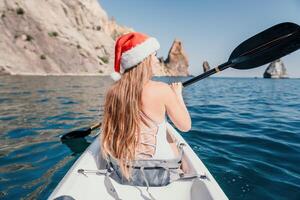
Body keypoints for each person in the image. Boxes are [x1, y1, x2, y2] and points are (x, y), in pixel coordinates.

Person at [101, 32, 191, 181]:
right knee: (171, 138)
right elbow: (185, 126)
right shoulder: (162, 89)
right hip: (161, 170)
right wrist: (178, 95)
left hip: (123, 168)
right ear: (144, 60)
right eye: (154, 55)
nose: (157, 60)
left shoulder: (113, 91)